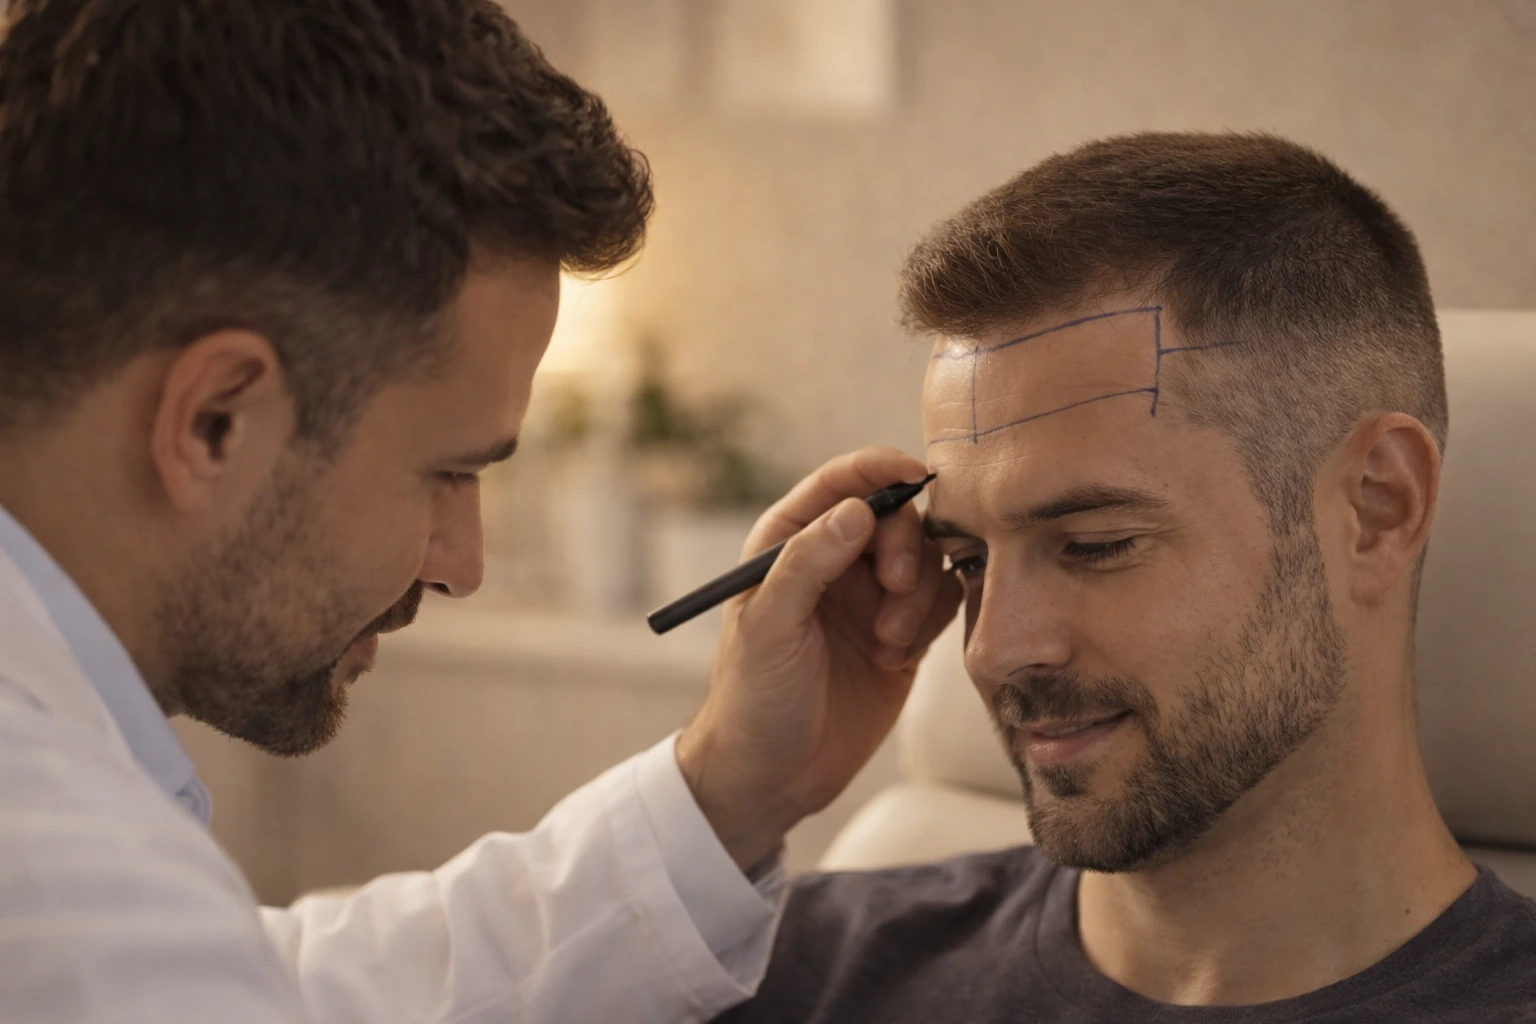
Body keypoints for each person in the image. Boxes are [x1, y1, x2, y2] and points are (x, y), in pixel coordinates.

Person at [0, 2, 961, 1021]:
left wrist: (729, 785)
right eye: (450, 472)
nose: (464, 564)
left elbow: (293, 991)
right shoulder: (60, 889)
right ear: (214, 423)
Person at [712, 133, 1536, 1023]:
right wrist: (730, 781)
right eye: (968, 560)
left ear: (1378, 507)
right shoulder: (801, 968)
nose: (990, 651)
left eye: (1096, 544)